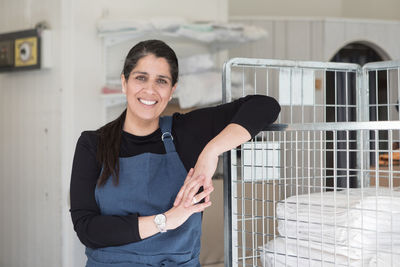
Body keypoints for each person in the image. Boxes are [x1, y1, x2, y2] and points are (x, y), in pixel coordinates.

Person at [70, 39, 280, 267]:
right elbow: (87, 229)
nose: (150, 89)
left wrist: (211, 152)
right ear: (124, 83)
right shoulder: (93, 144)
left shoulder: (187, 131)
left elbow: (265, 106)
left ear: (172, 91)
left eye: (161, 81)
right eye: (141, 78)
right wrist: (166, 220)